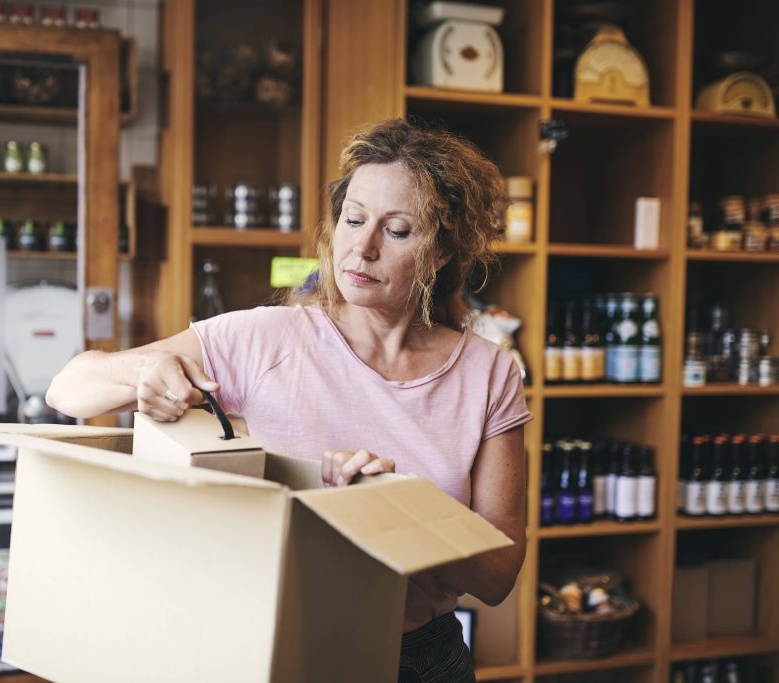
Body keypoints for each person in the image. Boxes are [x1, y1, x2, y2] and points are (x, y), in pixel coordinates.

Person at [47, 118, 531, 683]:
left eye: (397, 231)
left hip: (421, 661)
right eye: (353, 219)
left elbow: (498, 576)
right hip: (272, 645)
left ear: (443, 250)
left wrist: (397, 508)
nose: (363, 247)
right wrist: (146, 369)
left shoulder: (489, 371)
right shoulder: (262, 338)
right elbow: (70, 389)